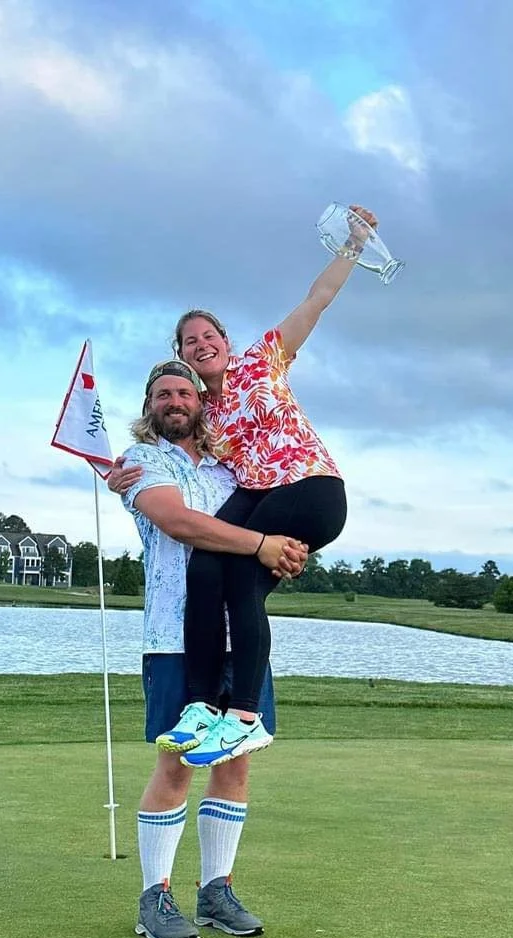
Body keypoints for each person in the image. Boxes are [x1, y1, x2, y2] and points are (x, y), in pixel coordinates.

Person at [111, 204, 377, 768]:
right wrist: (112, 476)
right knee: (207, 564)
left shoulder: (263, 361)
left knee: (237, 576)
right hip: (265, 500)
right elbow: (162, 456)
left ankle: (245, 715)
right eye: (188, 341)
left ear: (226, 341)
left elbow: (316, 301)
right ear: (180, 355)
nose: (200, 343)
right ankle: (205, 707)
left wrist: (352, 245)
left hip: (311, 486)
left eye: (208, 334)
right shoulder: (197, 413)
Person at [123, 359, 307, 938]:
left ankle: (215, 891)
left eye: (184, 391)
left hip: (241, 636)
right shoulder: (142, 463)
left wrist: (286, 554)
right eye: (162, 394)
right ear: (149, 407)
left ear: (200, 402)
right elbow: (181, 523)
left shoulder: (235, 465)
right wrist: (263, 544)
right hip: (174, 638)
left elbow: (272, 523)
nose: (175, 400)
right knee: (177, 762)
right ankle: (155, 898)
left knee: (236, 761)